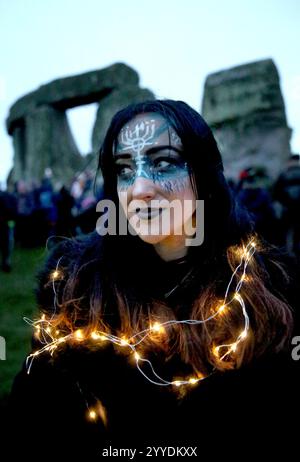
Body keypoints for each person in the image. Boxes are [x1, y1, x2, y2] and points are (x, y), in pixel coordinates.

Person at [9, 100, 299, 458]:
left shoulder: (270, 286)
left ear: (205, 173)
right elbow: (34, 418)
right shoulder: (74, 287)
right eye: (124, 170)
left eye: (163, 163)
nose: (140, 187)